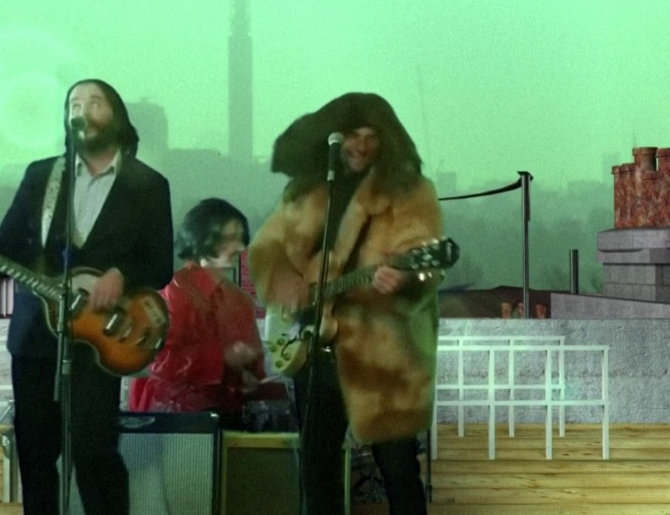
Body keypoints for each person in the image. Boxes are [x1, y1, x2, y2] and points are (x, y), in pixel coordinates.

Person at [0, 79, 173, 515]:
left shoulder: (148, 184)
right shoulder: (41, 176)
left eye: (94, 102)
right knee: (36, 456)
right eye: (74, 104)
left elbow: (160, 265)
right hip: (36, 339)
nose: (82, 111)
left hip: (100, 342)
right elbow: (10, 249)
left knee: (95, 454)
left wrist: (122, 275)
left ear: (116, 117)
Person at [247, 92, 445, 515]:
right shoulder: (308, 191)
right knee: (317, 466)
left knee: (398, 468)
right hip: (315, 350)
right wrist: (285, 281)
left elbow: (426, 260)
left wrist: (404, 280)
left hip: (383, 353)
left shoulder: (410, 192)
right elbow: (266, 247)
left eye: (372, 135)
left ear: (387, 141)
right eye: (352, 135)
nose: (361, 145)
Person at [127, 198, 266, 428]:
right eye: (230, 238)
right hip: (174, 421)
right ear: (202, 238)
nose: (240, 247)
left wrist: (246, 378)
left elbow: (254, 367)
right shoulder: (173, 290)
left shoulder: (242, 301)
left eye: (241, 239)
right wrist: (222, 357)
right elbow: (158, 359)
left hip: (228, 418)